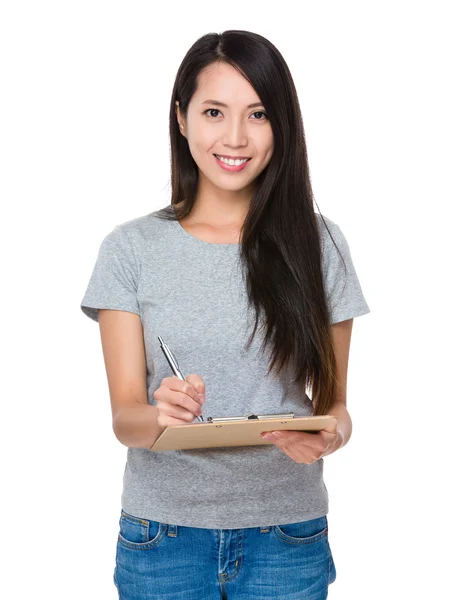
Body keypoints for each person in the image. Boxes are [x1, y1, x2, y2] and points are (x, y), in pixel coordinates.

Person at [80, 29, 370, 600]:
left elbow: (335, 408)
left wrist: (328, 435)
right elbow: (124, 421)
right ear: (182, 117)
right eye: (215, 111)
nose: (235, 137)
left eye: (258, 114)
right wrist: (161, 414)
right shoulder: (130, 249)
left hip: (286, 536)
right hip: (161, 539)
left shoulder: (321, 244)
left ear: (281, 126)